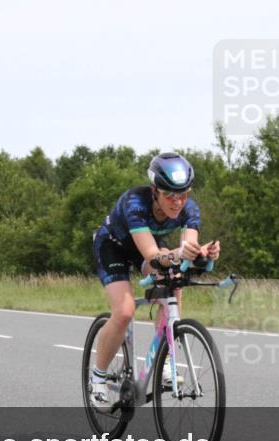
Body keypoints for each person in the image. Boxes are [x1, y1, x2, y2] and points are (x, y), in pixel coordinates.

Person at [89, 152, 220, 411]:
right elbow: (152, 255)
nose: (178, 202)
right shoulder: (135, 203)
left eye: (183, 194)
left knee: (175, 279)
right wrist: (180, 254)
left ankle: (167, 360)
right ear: (154, 191)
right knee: (124, 312)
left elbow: (187, 249)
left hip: (147, 246)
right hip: (113, 247)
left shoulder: (189, 209)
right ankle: (98, 377)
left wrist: (203, 254)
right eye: (169, 195)